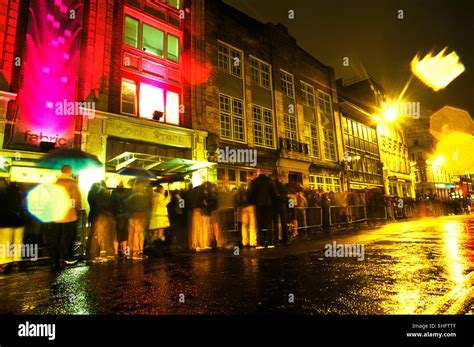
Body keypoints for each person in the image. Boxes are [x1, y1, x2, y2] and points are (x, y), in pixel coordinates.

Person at [51, 165, 82, 268]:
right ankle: (67, 258)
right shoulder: (71, 184)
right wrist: (75, 209)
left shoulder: (55, 183)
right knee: (68, 237)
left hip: (56, 216)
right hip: (69, 216)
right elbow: (75, 200)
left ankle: (56, 259)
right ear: (70, 171)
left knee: (56, 237)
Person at [0, 179, 25, 272]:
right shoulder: (18, 194)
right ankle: (16, 260)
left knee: (5, 242)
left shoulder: (2, 194)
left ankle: (5, 262)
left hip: (5, 221)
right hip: (19, 221)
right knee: (18, 241)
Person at [88, 181, 115, 261]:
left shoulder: (91, 194)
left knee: (95, 235)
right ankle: (103, 254)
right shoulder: (103, 194)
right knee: (103, 235)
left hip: (94, 215)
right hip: (103, 215)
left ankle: (93, 254)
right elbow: (107, 205)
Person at [248, 173, 276, 248]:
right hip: (268, 204)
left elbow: (250, 193)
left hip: (258, 204)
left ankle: (260, 242)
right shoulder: (270, 182)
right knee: (268, 223)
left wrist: (253, 201)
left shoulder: (255, 182)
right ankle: (269, 241)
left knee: (259, 223)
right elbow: (274, 193)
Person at [126, 179, 151, 259]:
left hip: (131, 217)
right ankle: (137, 252)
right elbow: (146, 207)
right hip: (139, 216)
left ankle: (130, 254)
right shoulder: (143, 196)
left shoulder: (130, 196)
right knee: (138, 234)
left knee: (131, 235)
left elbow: (127, 206)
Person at [111, 180, 130, 258]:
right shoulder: (127, 193)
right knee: (125, 235)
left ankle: (115, 253)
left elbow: (111, 204)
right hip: (125, 216)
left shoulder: (114, 193)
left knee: (116, 235)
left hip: (116, 216)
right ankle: (125, 253)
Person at [237, 179, 257, 248]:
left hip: (243, 207)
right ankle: (252, 241)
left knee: (244, 225)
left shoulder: (241, 191)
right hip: (251, 206)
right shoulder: (251, 190)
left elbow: (238, 200)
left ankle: (245, 241)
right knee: (252, 224)